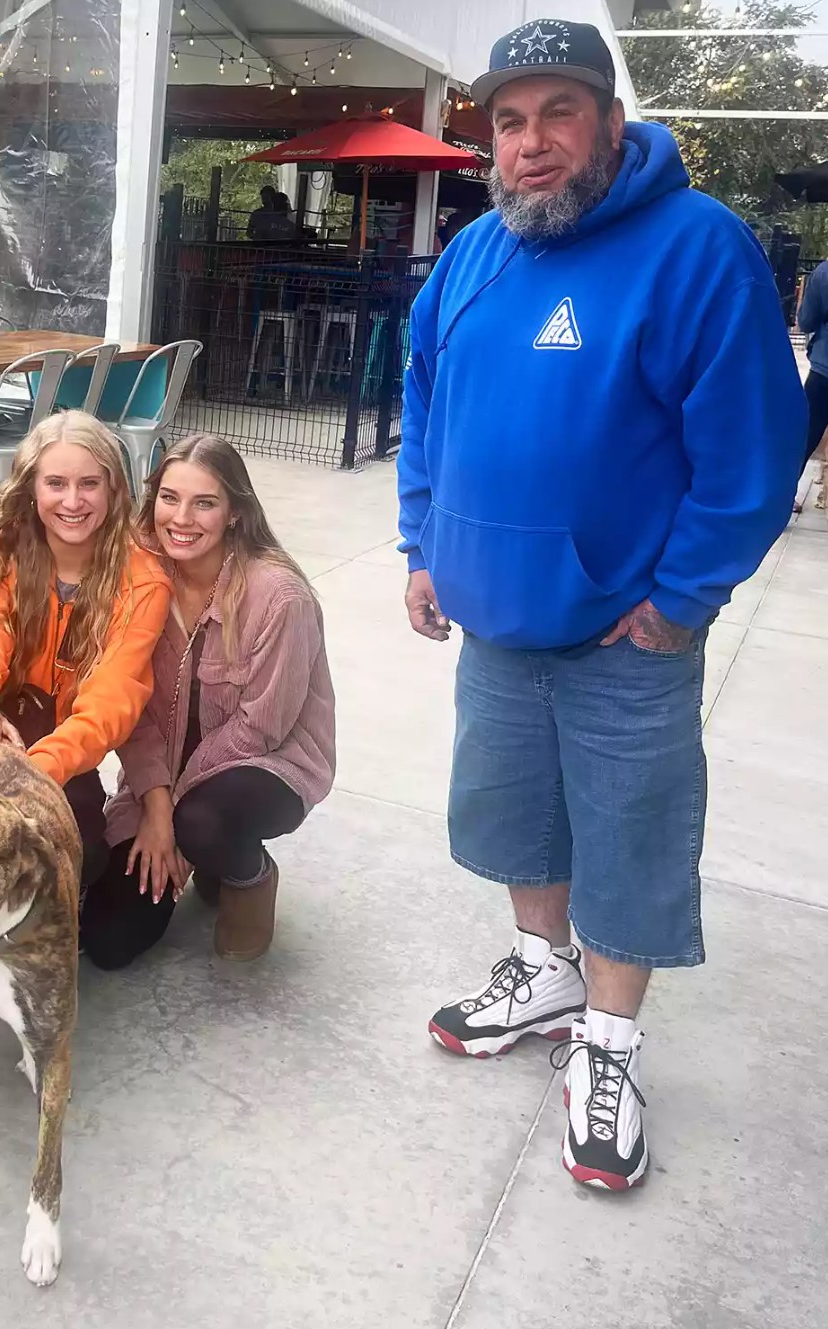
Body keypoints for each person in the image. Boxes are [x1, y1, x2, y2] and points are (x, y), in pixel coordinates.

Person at [398, 19, 806, 1191]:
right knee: (518, 816)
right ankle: (544, 968)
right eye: (510, 122)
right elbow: (425, 400)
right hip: (493, 618)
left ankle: (610, 1042)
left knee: (626, 839)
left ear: (610, 122)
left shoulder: (697, 247)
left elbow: (753, 453)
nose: (530, 145)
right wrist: (424, 541)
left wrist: (684, 595)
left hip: (628, 633)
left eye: (557, 115)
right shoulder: (475, 254)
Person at [83, 435, 336, 968]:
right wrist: (151, 807)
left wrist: (169, 816)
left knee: (203, 822)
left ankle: (247, 875)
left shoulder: (279, 596)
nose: (182, 518)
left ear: (235, 514)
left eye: (205, 502)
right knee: (108, 941)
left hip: (262, 764)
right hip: (163, 777)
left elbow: (261, 727)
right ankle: (199, 849)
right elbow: (130, 710)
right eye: (169, 498)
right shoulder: (135, 580)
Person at [0, 411, 171, 890]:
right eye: (56, 483)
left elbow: (111, 702)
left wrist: (30, 773)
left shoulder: (142, 581)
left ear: (114, 490)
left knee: (80, 853)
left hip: (64, 746)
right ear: (31, 488)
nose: (73, 501)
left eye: (90, 483)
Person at [796, 256, 828, 496]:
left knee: (804, 437)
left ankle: (782, 496)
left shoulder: (824, 273)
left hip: (824, 368)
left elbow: (806, 322)